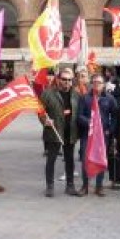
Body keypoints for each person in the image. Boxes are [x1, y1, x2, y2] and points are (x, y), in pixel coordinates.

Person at [39, 68, 80, 197]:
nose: (67, 82)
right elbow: (40, 110)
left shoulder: (76, 94)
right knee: (51, 159)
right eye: (64, 79)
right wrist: (45, 120)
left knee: (69, 159)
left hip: (70, 131)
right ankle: (50, 186)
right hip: (55, 131)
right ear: (58, 79)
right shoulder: (48, 93)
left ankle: (70, 186)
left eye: (69, 80)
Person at [77, 74, 118, 197]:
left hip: (102, 136)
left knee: (101, 159)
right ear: (91, 84)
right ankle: (85, 186)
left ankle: (99, 187)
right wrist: (90, 123)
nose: (96, 85)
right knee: (85, 159)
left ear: (103, 84)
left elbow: (115, 116)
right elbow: (79, 116)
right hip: (87, 135)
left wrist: (109, 130)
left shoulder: (109, 99)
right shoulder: (84, 98)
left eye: (99, 82)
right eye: (94, 82)